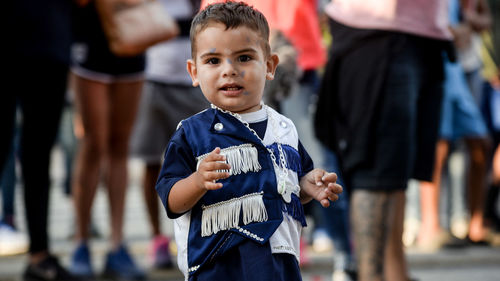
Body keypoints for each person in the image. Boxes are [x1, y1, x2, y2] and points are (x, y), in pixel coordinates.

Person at [155, 2, 343, 280]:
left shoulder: (284, 128)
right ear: (194, 71)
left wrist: (307, 186)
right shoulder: (191, 133)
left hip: (279, 266)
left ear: (269, 65)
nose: (229, 70)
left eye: (243, 58)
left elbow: (290, 187)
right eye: (213, 61)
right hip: (218, 267)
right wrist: (196, 182)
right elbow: (171, 199)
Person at [314, 1, 452, 280]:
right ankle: (371, 275)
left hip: (421, 35)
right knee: (376, 174)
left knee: (396, 173)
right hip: (375, 31)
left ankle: (396, 273)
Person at [3, 0, 80, 279]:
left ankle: (40, 255)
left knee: (38, 157)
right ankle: (40, 256)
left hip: (49, 45)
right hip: (46, 42)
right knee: (37, 158)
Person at [69, 0, 146, 279]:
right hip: (89, 37)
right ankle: (81, 242)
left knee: (120, 146)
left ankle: (117, 244)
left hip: (133, 33)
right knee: (93, 144)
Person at [129, 0, 208, 270]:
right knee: (151, 161)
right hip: (151, 78)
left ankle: (201, 233)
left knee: (204, 159)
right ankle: (156, 237)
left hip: (193, 84)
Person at [417, 0, 492, 250]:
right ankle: (430, 227)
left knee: (480, 140)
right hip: (434, 62)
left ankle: (476, 225)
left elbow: (484, 20)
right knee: (438, 142)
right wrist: (450, 30)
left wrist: (467, 24)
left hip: (461, 67)